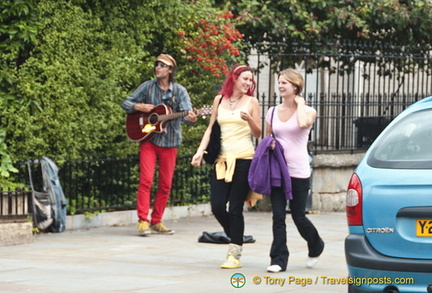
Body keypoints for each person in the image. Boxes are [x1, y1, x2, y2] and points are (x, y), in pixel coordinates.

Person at [191, 64, 261, 269]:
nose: (248, 83)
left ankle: (234, 254)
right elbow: (211, 128)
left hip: (244, 159)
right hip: (221, 160)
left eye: (251, 80)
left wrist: (249, 120)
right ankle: (237, 237)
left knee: (235, 208)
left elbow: (258, 133)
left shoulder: (252, 102)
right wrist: (199, 151)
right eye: (245, 79)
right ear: (234, 78)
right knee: (217, 206)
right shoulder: (219, 100)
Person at [121, 54, 197, 236]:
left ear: (170, 70)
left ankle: (157, 221)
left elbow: (188, 117)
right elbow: (125, 103)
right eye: (157, 64)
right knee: (145, 180)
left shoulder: (179, 91)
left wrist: (191, 117)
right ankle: (142, 221)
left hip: (170, 142)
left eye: (162, 65)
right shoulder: (148, 86)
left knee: (165, 184)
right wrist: (138, 107)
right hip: (149, 139)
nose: (158, 68)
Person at [265, 68, 324, 273]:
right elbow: (267, 137)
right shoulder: (272, 111)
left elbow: (302, 123)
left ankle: (316, 244)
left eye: (285, 83)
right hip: (277, 171)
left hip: (299, 171)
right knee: (278, 215)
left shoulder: (309, 111)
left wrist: (299, 104)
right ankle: (278, 259)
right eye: (279, 82)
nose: (280, 86)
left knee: (298, 216)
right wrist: (270, 144)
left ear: (296, 87)